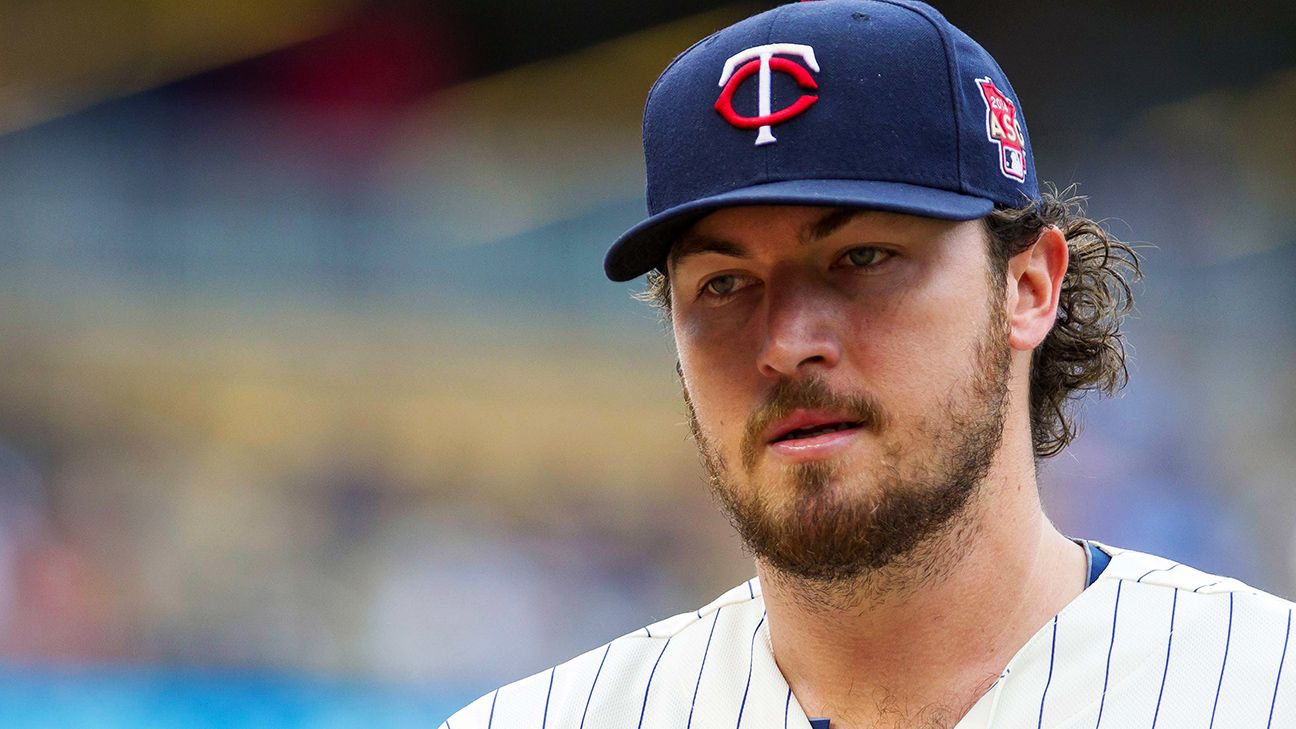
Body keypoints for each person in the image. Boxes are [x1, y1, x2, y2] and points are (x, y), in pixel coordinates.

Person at [442, 1, 1295, 727]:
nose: (786, 343)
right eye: (724, 283)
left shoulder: (1265, 687)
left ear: (1028, 287)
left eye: (863, 258)